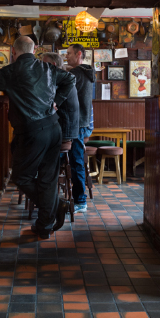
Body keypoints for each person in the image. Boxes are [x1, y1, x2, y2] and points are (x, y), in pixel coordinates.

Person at [0, 37, 75, 239]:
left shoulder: (11, 71)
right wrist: (56, 102)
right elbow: (70, 79)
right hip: (54, 127)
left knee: (21, 177)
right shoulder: (47, 68)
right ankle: (44, 226)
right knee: (47, 178)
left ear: (13, 52)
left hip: (33, 131)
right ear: (34, 51)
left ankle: (56, 207)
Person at [65, 44, 95, 213]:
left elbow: (63, 96)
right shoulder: (87, 72)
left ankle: (80, 201)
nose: (66, 56)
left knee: (76, 162)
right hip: (83, 123)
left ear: (78, 54)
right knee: (77, 162)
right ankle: (78, 199)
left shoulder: (75, 74)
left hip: (75, 124)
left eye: (69, 53)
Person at [41, 52, 79, 143]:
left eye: (44, 64)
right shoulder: (63, 79)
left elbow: (51, 104)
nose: (41, 67)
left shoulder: (62, 82)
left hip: (64, 129)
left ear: (53, 65)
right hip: (67, 127)